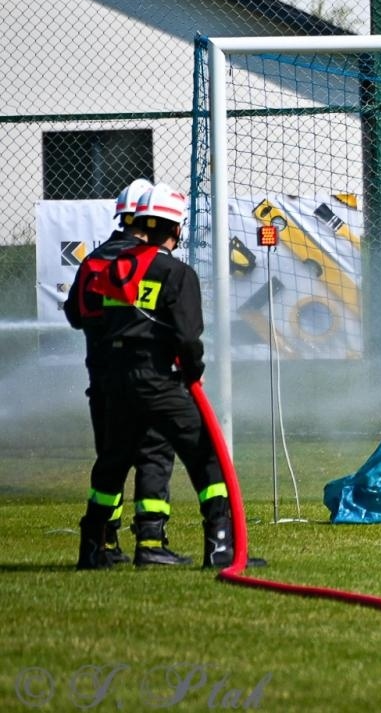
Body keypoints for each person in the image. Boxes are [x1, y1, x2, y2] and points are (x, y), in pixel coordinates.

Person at [68, 184, 238, 569]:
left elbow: (98, 320)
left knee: (112, 463)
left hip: (115, 381)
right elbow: (187, 337)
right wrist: (192, 374)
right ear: (177, 228)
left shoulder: (116, 268)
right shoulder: (177, 272)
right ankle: (220, 547)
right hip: (158, 379)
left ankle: (93, 547)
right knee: (207, 457)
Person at [71, 179, 183, 566]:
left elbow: (75, 315)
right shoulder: (144, 264)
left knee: (110, 460)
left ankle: (105, 541)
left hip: (101, 379)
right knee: (154, 453)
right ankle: (151, 539)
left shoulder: (92, 262)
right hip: (146, 378)